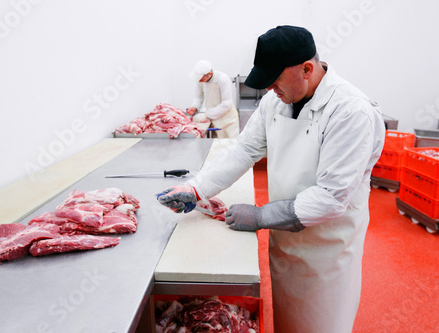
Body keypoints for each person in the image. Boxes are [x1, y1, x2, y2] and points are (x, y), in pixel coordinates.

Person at [157, 25, 385, 332]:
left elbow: (331, 198)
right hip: (285, 243)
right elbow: (244, 150)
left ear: (307, 69)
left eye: (274, 80)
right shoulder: (276, 101)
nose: (269, 89)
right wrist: (196, 188)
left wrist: (261, 215)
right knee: (287, 321)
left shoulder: (350, 113)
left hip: (326, 255)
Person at [186, 60, 240, 138]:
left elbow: (226, 104)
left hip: (228, 121)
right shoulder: (200, 80)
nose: (200, 81)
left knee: (229, 145)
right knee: (217, 147)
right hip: (215, 119)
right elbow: (199, 96)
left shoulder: (222, 79)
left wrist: (206, 114)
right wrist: (195, 107)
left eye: (201, 79)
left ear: (209, 74)